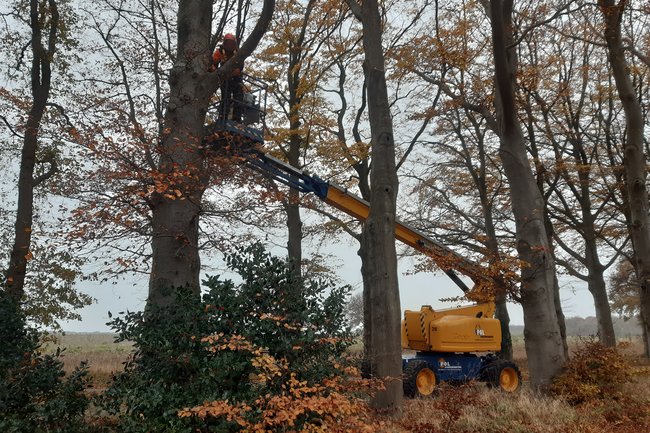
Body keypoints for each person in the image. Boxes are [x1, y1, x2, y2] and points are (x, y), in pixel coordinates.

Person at [212, 33, 244, 122]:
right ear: (225, 43)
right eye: (228, 43)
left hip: (236, 78)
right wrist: (217, 72)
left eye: (231, 43)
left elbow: (240, 67)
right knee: (225, 97)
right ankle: (223, 117)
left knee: (238, 97)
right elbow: (214, 65)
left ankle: (237, 118)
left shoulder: (237, 53)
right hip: (225, 79)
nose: (230, 45)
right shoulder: (219, 52)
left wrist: (233, 73)